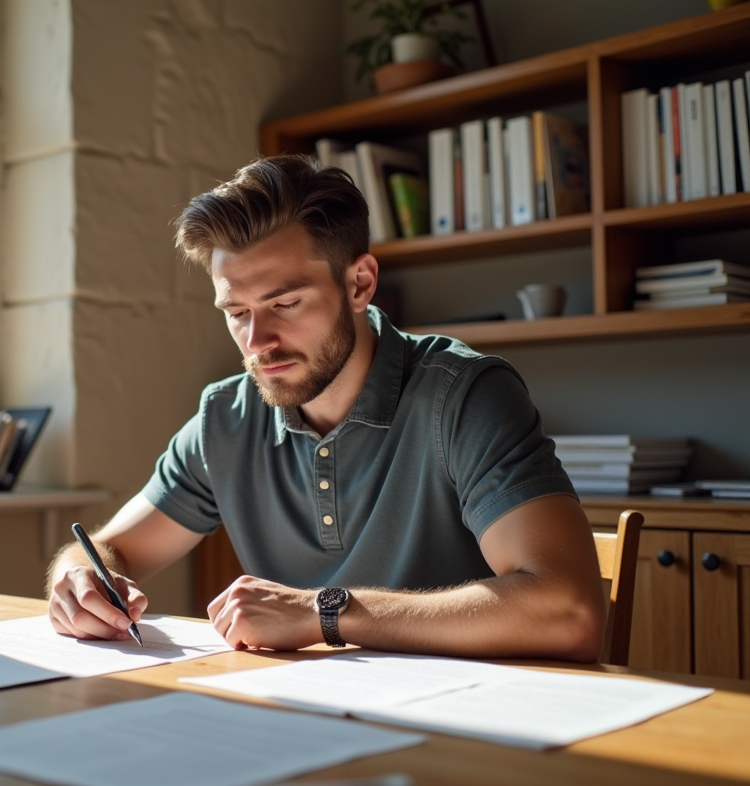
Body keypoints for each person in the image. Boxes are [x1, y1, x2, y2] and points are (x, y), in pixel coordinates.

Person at [47, 154, 605, 661]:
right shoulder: (226, 418)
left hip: (475, 730)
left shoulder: (463, 396)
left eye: (285, 303)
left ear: (359, 283)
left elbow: (568, 610)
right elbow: (107, 550)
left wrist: (324, 612)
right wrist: (79, 580)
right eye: (236, 311)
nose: (257, 340)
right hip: (309, 724)